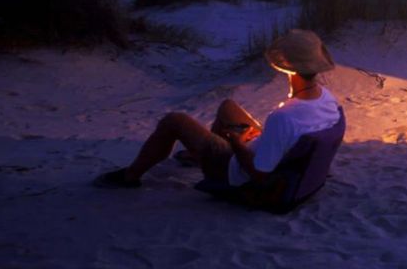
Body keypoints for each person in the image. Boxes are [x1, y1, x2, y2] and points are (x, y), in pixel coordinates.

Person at [94, 29, 340, 190]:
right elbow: (290, 137)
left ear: (288, 68)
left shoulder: (283, 117)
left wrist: (236, 142)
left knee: (175, 121)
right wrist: (259, 139)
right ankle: (198, 155)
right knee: (228, 107)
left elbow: (259, 173)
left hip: (237, 169)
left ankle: (131, 176)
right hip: (272, 149)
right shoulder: (328, 100)